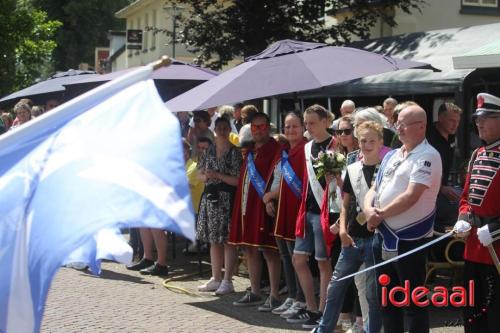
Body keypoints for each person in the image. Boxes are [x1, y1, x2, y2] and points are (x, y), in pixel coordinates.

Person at [364, 103, 442, 333]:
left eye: (403, 125)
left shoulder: (428, 155)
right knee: (387, 300)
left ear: (421, 127)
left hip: (410, 239)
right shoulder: (393, 155)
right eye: (397, 123)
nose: (398, 128)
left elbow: (411, 196)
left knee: (412, 303)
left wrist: (380, 214)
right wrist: (369, 209)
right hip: (384, 237)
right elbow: (374, 187)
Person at [315, 121, 385, 333]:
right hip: (352, 238)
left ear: (381, 142)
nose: (367, 144)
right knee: (335, 287)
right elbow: (346, 205)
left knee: (373, 293)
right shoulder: (353, 168)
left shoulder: (386, 169)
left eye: (372, 140)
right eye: (363, 140)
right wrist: (343, 230)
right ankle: (323, 329)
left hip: (376, 238)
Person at [454, 93, 500, 333]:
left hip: (497, 250)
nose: (479, 123)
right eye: (478, 119)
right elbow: (466, 198)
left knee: (495, 315)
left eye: (487, 118)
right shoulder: (477, 155)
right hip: (474, 247)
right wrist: (463, 219)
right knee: (473, 312)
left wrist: (495, 229)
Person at [290, 104, 339, 329]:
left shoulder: (335, 145)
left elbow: (337, 182)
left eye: (312, 123)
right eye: (306, 123)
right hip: (307, 209)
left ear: (324, 122)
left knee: (322, 263)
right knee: (298, 259)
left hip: (325, 211)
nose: (308, 127)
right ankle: (310, 307)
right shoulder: (308, 146)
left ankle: (322, 311)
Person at [229, 112, 282, 309]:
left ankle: (275, 295)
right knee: (250, 249)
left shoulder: (276, 150)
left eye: (262, 127)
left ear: (268, 127)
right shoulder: (249, 151)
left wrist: (271, 201)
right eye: (255, 127)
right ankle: (254, 291)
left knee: (270, 251)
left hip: (264, 207)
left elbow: (278, 177)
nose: (258, 131)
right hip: (245, 208)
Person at [263, 111, 307, 315]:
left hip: (296, 210)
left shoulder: (305, 150)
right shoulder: (284, 151)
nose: (290, 130)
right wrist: (270, 199)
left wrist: (272, 194)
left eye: (294, 126)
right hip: (280, 210)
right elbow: (277, 178)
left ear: (303, 127)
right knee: (284, 255)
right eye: (287, 127)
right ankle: (291, 295)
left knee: (295, 256)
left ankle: (301, 298)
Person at [196, 117, 242, 295]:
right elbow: (199, 173)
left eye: (225, 128)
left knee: (228, 241)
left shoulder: (234, 153)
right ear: (215, 130)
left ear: (229, 130)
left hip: (227, 201)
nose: (222, 131)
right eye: (219, 128)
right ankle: (216, 278)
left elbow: (238, 180)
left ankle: (228, 280)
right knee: (213, 240)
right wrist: (206, 176)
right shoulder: (209, 150)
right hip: (210, 199)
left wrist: (217, 175)